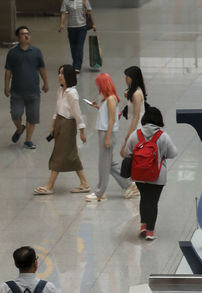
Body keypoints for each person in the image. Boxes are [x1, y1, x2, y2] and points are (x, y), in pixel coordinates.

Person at [34, 66, 90, 195]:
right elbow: (57, 108)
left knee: (58, 154)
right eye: (59, 73)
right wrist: (53, 125)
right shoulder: (60, 90)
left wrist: (82, 131)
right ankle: (84, 183)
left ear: (68, 76)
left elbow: (77, 114)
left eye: (62, 73)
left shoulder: (72, 94)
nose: (59, 75)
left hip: (68, 125)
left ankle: (50, 185)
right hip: (60, 122)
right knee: (71, 155)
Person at [125, 106, 177, 241]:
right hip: (157, 176)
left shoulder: (135, 135)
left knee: (144, 199)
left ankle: (143, 225)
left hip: (139, 176)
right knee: (153, 202)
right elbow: (173, 153)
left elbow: (127, 152)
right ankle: (150, 232)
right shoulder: (163, 136)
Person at [85, 73, 129, 203]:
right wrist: (96, 106)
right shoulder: (107, 99)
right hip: (104, 132)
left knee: (103, 165)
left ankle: (100, 192)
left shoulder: (111, 99)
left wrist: (108, 137)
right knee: (109, 164)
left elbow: (111, 119)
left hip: (107, 133)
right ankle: (127, 184)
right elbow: (108, 114)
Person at [4, 25, 48, 150]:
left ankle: (28, 140)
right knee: (15, 114)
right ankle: (19, 128)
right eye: (23, 34)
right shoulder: (12, 53)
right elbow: (8, 71)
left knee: (32, 117)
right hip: (17, 91)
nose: (26, 36)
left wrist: (46, 82)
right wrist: (6, 87)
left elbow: (42, 68)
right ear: (18, 37)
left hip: (33, 91)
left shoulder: (36, 52)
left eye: (28, 33)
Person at [59, 0, 94, 73]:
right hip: (71, 28)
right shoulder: (66, 0)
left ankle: (77, 66)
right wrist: (61, 24)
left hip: (82, 27)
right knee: (73, 47)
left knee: (79, 47)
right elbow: (63, 13)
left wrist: (93, 24)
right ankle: (75, 62)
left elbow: (89, 11)